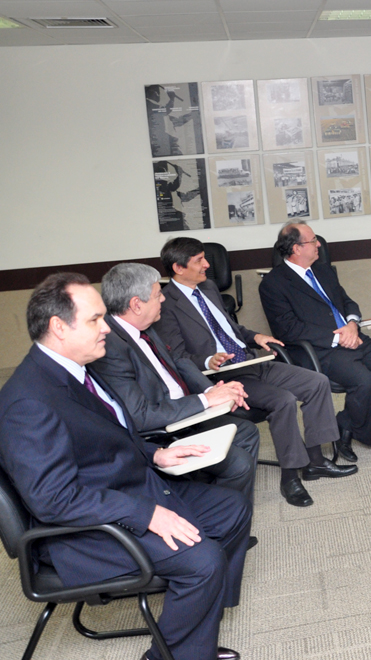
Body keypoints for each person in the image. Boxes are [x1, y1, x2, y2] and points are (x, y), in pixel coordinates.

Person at [0, 273, 250, 660]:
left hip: (127, 488)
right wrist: (147, 514)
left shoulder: (75, 370)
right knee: (203, 560)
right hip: (83, 531)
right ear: (58, 327)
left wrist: (154, 455)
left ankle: (197, 626)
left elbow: (106, 436)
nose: (106, 328)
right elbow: (54, 500)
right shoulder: (28, 402)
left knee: (232, 508)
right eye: (94, 320)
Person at [153, 237, 354, 509]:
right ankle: (290, 476)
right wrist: (209, 360)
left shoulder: (208, 287)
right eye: (199, 260)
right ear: (178, 268)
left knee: (317, 382)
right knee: (282, 400)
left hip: (249, 362)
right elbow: (176, 357)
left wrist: (255, 336)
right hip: (221, 376)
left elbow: (229, 329)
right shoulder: (166, 304)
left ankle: (315, 461)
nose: (207, 265)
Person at [91, 262, 260, 507]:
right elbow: (140, 416)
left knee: (246, 431)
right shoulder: (109, 347)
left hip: (185, 412)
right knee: (239, 464)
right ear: (136, 304)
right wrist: (205, 400)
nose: (163, 299)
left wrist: (211, 389)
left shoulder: (146, 326)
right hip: (162, 429)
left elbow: (178, 360)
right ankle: (220, 512)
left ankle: (225, 508)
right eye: (158, 295)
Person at [259, 221, 371, 450]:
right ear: (296, 248)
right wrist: (337, 337)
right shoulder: (273, 283)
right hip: (318, 349)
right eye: (313, 240)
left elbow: (346, 302)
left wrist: (352, 324)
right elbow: (288, 329)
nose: (319, 244)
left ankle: (345, 424)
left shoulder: (323, 270)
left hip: (353, 336)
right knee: (364, 381)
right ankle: (368, 434)